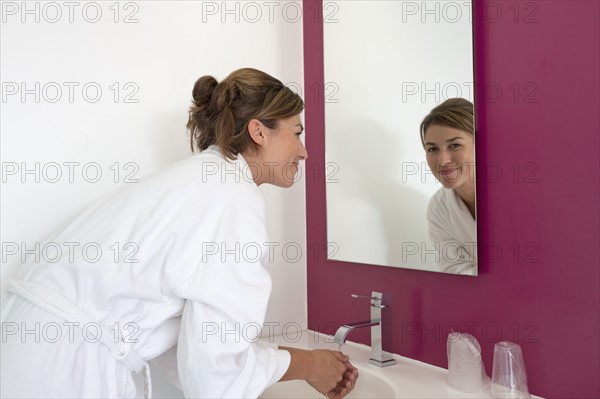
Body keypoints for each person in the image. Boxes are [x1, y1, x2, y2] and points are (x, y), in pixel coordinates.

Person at [1, 68, 358, 398]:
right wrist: (308, 365)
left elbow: (192, 348)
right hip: (65, 367)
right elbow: (215, 375)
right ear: (259, 131)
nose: (304, 151)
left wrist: (289, 362)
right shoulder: (230, 197)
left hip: (35, 348)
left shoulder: (202, 180)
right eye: (296, 133)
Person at [420, 98, 477, 275]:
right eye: (432, 149)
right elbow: (455, 272)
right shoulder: (439, 207)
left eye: (455, 145)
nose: (443, 160)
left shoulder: (517, 196)